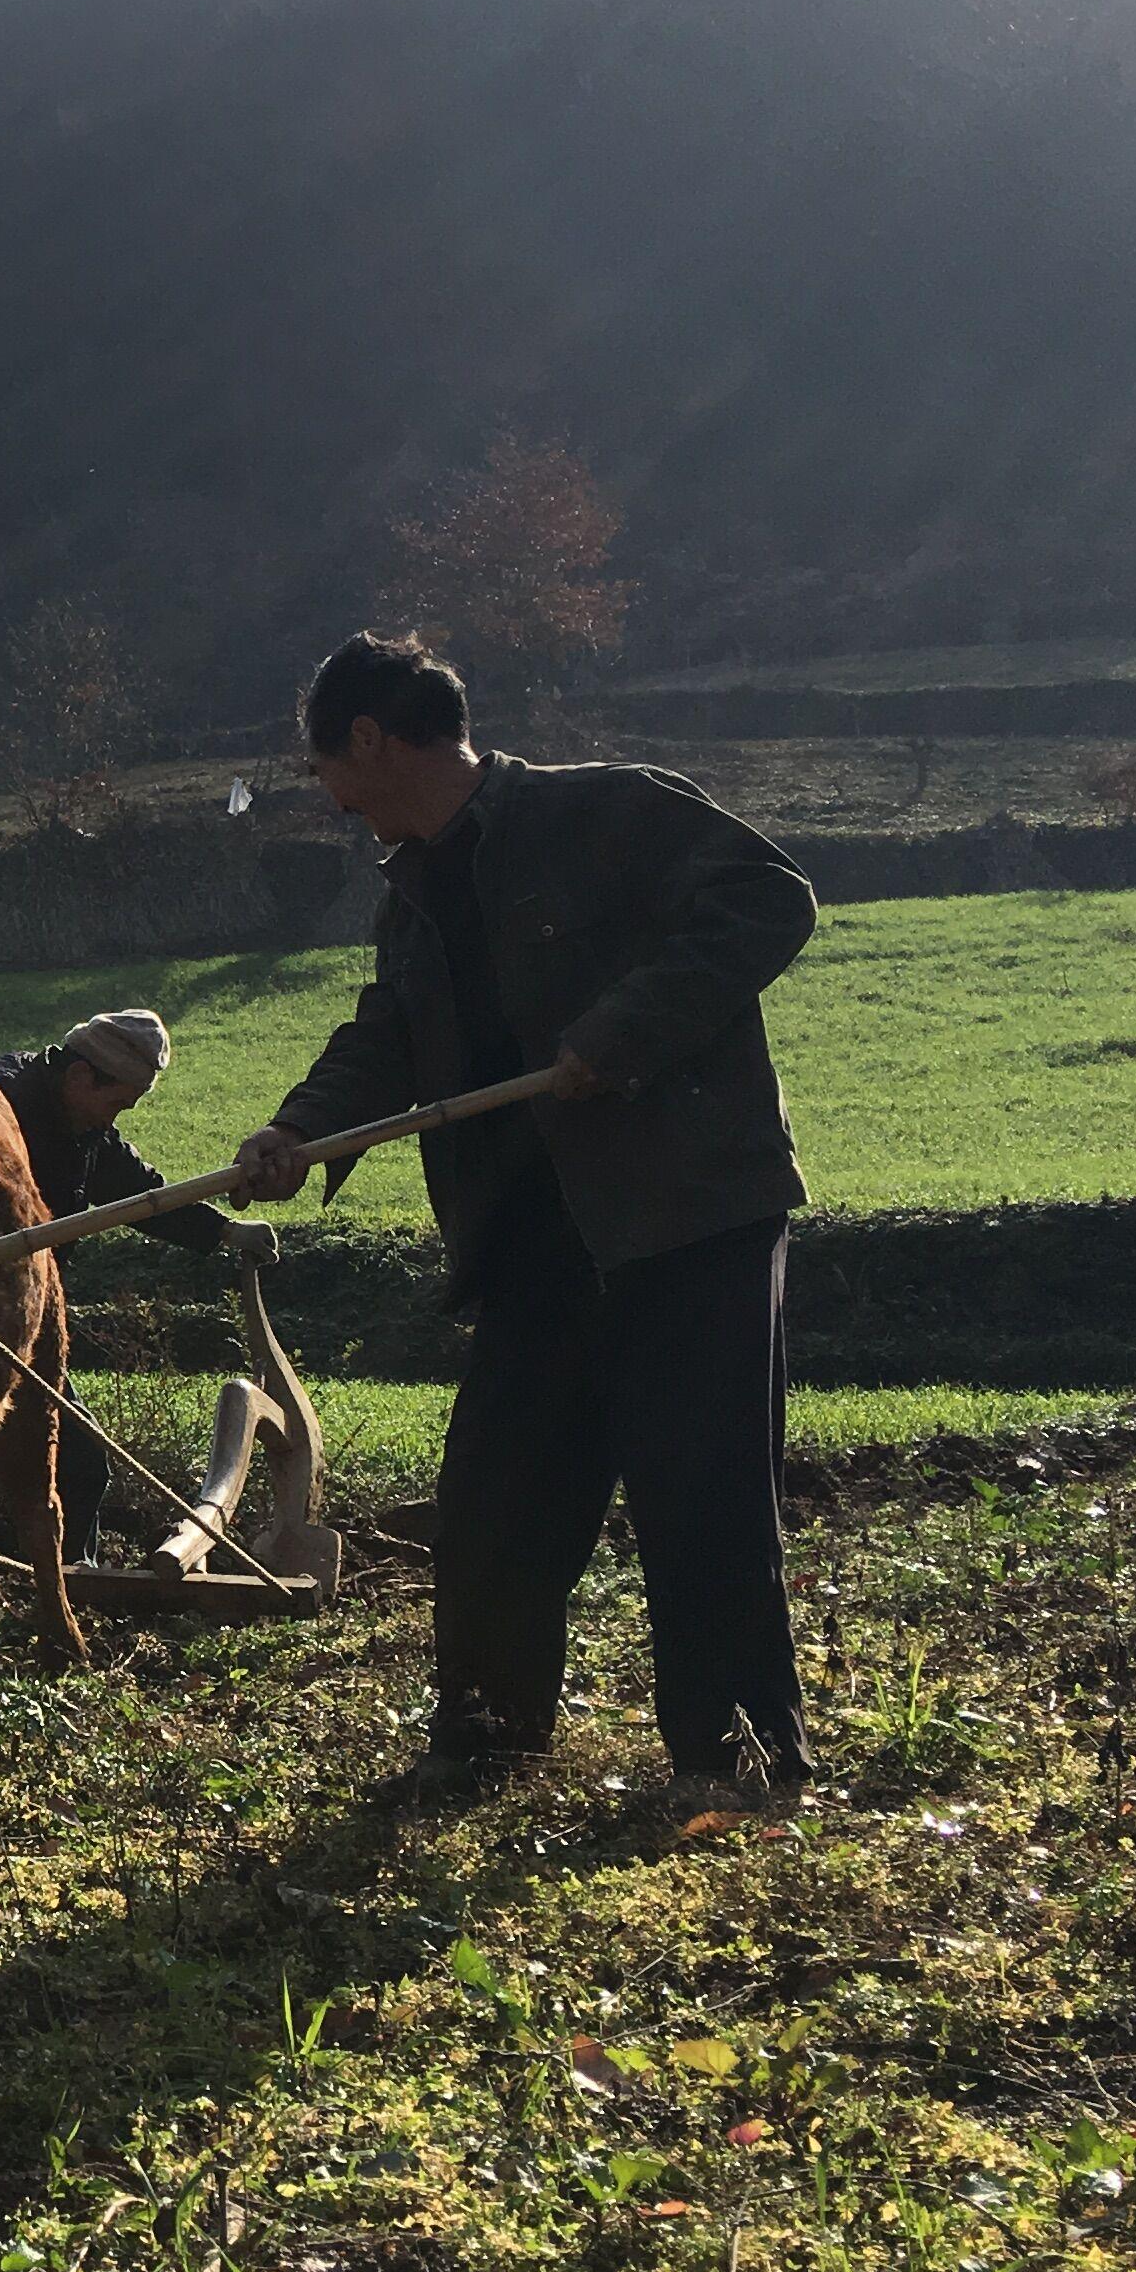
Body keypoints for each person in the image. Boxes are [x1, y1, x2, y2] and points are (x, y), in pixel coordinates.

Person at [228, 632, 818, 1797]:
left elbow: (770, 900)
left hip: (682, 1220)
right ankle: (485, 1745)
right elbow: (390, 1032)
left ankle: (741, 1763)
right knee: (496, 1504)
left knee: (700, 1500)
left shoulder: (607, 810)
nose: (335, 803)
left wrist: (620, 1035)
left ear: (369, 739)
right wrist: (298, 1129)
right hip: (532, 1242)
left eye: (326, 773)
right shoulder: (414, 893)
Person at [0, 1010, 272, 1567]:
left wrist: (224, 1230)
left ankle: (71, 1584)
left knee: (82, 1467)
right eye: (118, 1102)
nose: (118, 1118)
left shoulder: (82, 1126)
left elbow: (140, 1195)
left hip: (27, 1315)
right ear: (84, 1076)